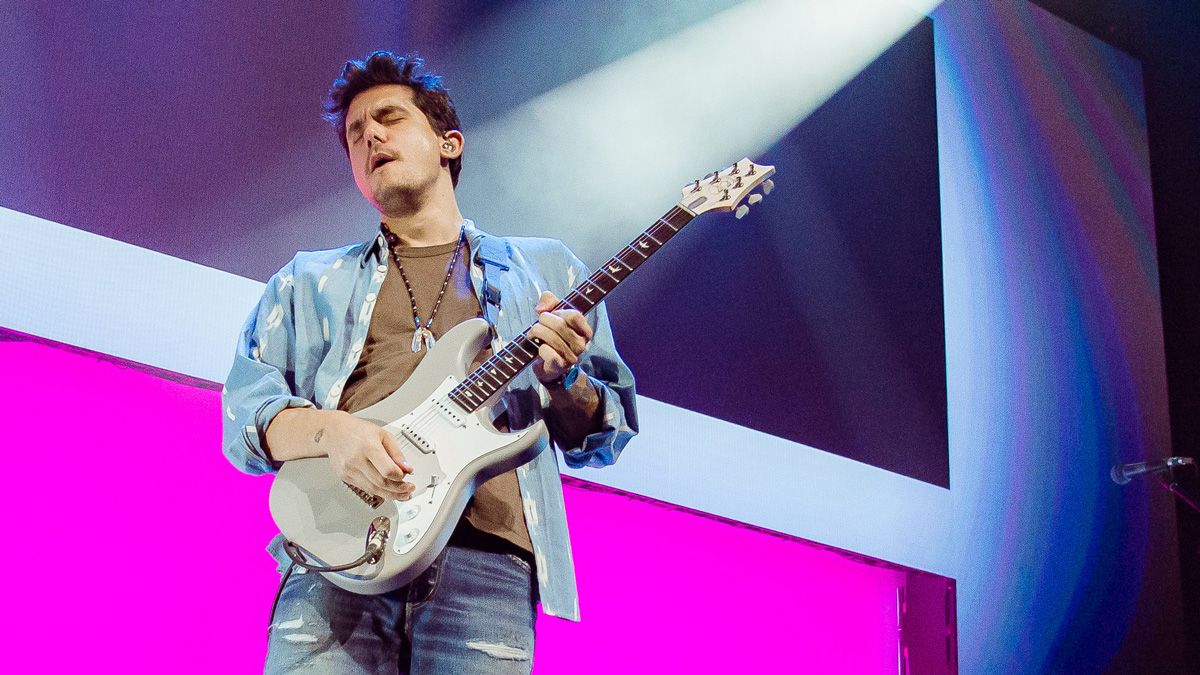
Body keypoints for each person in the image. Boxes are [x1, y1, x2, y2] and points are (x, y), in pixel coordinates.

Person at [221, 50, 638, 674]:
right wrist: (335, 433)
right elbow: (248, 420)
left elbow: (602, 433)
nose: (370, 138)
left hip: (487, 567)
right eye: (356, 136)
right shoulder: (307, 281)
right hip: (336, 558)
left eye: (387, 118)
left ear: (449, 142)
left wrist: (563, 379)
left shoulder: (545, 271)